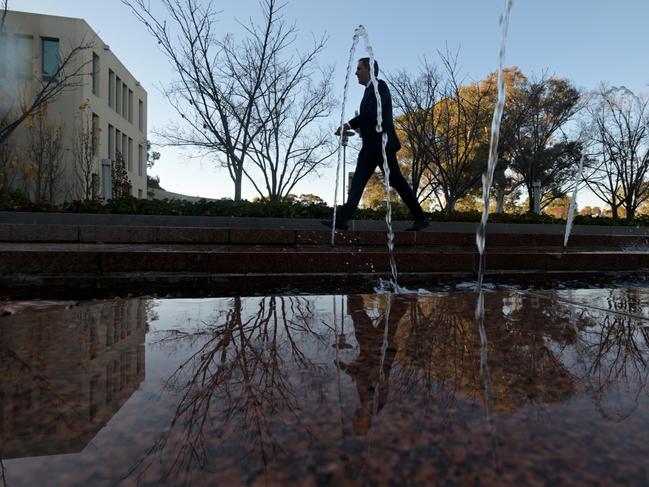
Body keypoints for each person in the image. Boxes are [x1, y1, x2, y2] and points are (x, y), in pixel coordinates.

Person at [327, 58, 430, 231]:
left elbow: (372, 112)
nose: (356, 72)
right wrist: (358, 130)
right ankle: (342, 219)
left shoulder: (379, 86)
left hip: (381, 146)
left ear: (369, 69)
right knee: (358, 183)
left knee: (396, 181)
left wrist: (349, 125)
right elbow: (370, 119)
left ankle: (421, 218)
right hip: (370, 147)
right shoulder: (368, 91)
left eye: (359, 68)